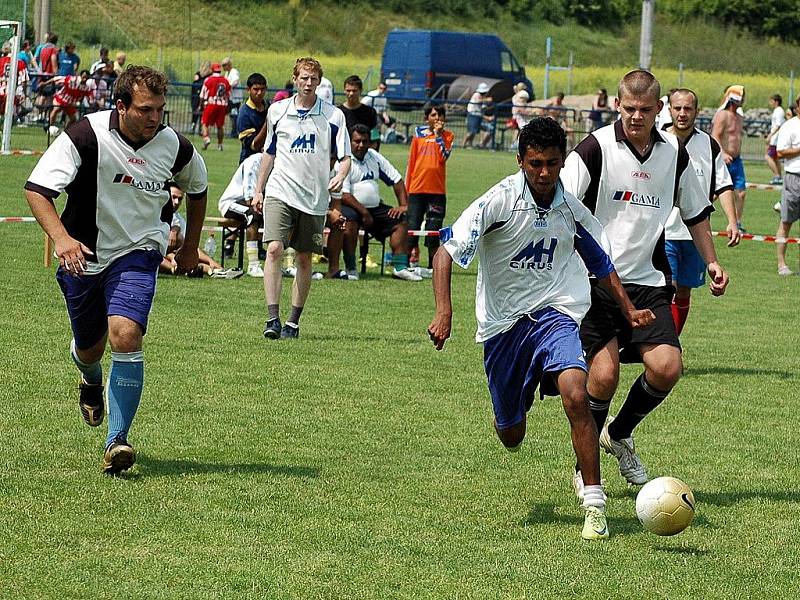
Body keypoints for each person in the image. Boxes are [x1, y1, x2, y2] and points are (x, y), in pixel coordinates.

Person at [428, 117, 656, 540]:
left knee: (576, 391)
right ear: (521, 161)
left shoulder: (569, 209)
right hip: (504, 327)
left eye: (553, 163)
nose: (545, 173)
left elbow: (602, 265)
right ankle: (518, 400)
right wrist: (445, 312)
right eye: (536, 163)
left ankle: (594, 504)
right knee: (511, 435)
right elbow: (445, 251)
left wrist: (628, 309)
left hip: (556, 314)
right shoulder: (499, 201)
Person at [23, 65, 208, 475]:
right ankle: (90, 380)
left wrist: (191, 247)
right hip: (83, 256)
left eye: (160, 110)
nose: (155, 118)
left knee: (125, 332)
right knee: (89, 347)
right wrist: (62, 239)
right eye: (145, 110)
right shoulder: (84, 135)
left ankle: (117, 440)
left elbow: (198, 189)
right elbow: (37, 190)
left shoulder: (174, 146)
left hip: (139, 252)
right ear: (121, 106)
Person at [560, 69, 730, 490]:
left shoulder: (675, 154)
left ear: (659, 110)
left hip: (649, 282)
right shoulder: (594, 148)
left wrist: (711, 262)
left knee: (668, 367)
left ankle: (617, 434)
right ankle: (585, 469)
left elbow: (696, 212)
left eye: (645, 110)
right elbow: (559, 205)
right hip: (594, 281)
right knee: (603, 376)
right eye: (629, 108)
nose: (636, 117)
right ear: (618, 105)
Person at [251, 57, 351, 339]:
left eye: (314, 79)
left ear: (320, 82)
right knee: (273, 249)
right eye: (304, 78)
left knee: (304, 258)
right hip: (280, 190)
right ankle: (272, 318)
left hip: (314, 196)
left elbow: (345, 157)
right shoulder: (278, 111)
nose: (308, 83)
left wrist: (340, 175)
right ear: (295, 79)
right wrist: (259, 189)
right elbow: (268, 152)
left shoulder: (333, 116)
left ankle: (293, 322)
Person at [664, 88, 741, 334]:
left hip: (697, 234)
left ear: (697, 112)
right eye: (678, 108)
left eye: (688, 108)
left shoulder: (708, 145)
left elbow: (723, 184)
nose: (683, 113)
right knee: (668, 289)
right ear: (669, 110)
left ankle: (671, 345)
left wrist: (733, 221)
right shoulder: (657, 141)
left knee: (684, 290)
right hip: (662, 232)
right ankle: (666, 349)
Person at [329, 123, 422, 281]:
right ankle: (351, 268)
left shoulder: (374, 156)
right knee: (348, 222)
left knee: (401, 221)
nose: (361, 145)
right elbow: (343, 194)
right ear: (349, 142)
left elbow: (396, 179)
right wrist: (364, 213)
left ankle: (400, 268)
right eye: (357, 141)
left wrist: (403, 205)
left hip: (375, 208)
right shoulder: (343, 161)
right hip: (351, 207)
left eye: (365, 141)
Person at [406, 104, 454, 273]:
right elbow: (412, 161)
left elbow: (443, 157)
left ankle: (432, 266)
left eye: (440, 115)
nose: (437, 118)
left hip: (437, 190)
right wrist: (407, 186)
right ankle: (406, 262)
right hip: (417, 187)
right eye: (434, 115)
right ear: (427, 118)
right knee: (412, 224)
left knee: (434, 227)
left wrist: (439, 136)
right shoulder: (418, 134)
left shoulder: (448, 136)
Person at [218, 152, 267, 277]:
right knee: (252, 213)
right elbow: (250, 199)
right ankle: (253, 265)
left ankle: (287, 265)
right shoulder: (254, 162)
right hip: (231, 203)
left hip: (255, 203)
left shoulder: (278, 164)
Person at [161, 182, 224, 277]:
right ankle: (178, 269)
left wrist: (210, 260)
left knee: (185, 244)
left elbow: (187, 245)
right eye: (173, 197)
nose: (177, 202)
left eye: (180, 199)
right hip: (153, 251)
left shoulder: (179, 219)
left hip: (172, 253)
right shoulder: (157, 214)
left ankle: (213, 267)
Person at [712, 84, 747, 231]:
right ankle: (699, 218)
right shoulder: (722, 115)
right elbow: (715, 136)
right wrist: (723, 153)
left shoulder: (739, 117)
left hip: (736, 160)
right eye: (742, 96)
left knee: (741, 192)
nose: (744, 99)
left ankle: (737, 223)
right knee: (715, 193)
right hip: (724, 160)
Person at [775, 95, 800, 276]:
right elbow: (781, 152)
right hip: (794, 178)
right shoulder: (789, 126)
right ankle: (782, 264)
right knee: (786, 221)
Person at [236, 72, 269, 163]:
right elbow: (254, 145)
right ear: (248, 89)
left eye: (262, 89)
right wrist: (268, 123)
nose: (259, 93)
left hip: (268, 160)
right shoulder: (244, 114)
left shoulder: (269, 107)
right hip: (250, 162)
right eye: (256, 89)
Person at [200, 62, 231, 151]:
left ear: (212, 70)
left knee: (205, 123)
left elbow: (203, 94)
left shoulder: (208, 80)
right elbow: (229, 94)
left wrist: (201, 105)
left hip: (211, 103)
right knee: (220, 126)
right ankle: (220, 144)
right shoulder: (225, 81)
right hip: (222, 105)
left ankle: (206, 138)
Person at [765, 94, 786, 185]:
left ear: (776, 101)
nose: (770, 103)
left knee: (768, 157)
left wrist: (770, 136)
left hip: (776, 139)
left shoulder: (779, 111)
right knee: (775, 158)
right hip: (775, 138)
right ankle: (779, 177)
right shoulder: (777, 111)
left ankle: (777, 176)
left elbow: (778, 125)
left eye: (772, 101)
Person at [462, 82, 488, 148]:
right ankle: (463, 144)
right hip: (472, 114)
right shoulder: (477, 94)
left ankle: (470, 144)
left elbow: (481, 105)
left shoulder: (482, 96)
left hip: (477, 115)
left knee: (474, 132)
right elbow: (478, 101)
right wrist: (487, 99)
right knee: (471, 131)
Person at [222, 57, 242, 139]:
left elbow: (235, 81)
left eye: (224, 65)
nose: (223, 67)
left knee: (234, 115)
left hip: (235, 98)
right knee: (231, 115)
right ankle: (233, 131)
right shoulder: (227, 73)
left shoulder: (234, 72)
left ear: (229, 65)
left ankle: (234, 132)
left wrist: (229, 86)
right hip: (230, 98)